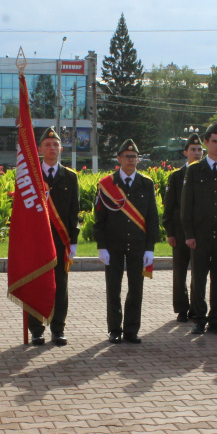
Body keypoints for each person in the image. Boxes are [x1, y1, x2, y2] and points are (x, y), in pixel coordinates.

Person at [94, 140, 159, 344]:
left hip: (138, 245)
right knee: (113, 289)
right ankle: (114, 329)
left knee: (136, 288)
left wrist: (150, 248)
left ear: (138, 159)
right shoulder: (107, 184)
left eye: (134, 157)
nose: (131, 160)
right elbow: (100, 219)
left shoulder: (146, 183)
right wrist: (101, 246)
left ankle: (131, 329)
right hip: (113, 245)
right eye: (127, 156)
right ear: (119, 159)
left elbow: (152, 218)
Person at [181, 122, 217, 335]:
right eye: (214, 142)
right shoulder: (196, 169)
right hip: (200, 235)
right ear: (206, 143)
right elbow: (187, 205)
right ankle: (199, 318)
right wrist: (188, 234)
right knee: (199, 279)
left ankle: (216, 319)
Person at [30, 127, 79, 345]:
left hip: (61, 240)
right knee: (36, 283)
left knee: (60, 284)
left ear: (61, 148)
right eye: (47, 144)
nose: (52, 148)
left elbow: (73, 212)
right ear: (39, 149)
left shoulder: (70, 177)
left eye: (56, 144)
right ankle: (37, 329)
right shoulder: (31, 176)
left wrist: (74, 241)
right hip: (37, 239)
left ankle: (58, 328)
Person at [163, 134, 202, 323]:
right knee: (180, 273)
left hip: (200, 232)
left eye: (199, 150)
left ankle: (196, 307)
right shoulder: (177, 176)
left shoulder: (205, 174)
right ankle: (181, 308)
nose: (197, 153)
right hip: (179, 233)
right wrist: (170, 232)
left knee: (199, 272)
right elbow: (168, 207)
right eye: (193, 150)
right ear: (185, 152)